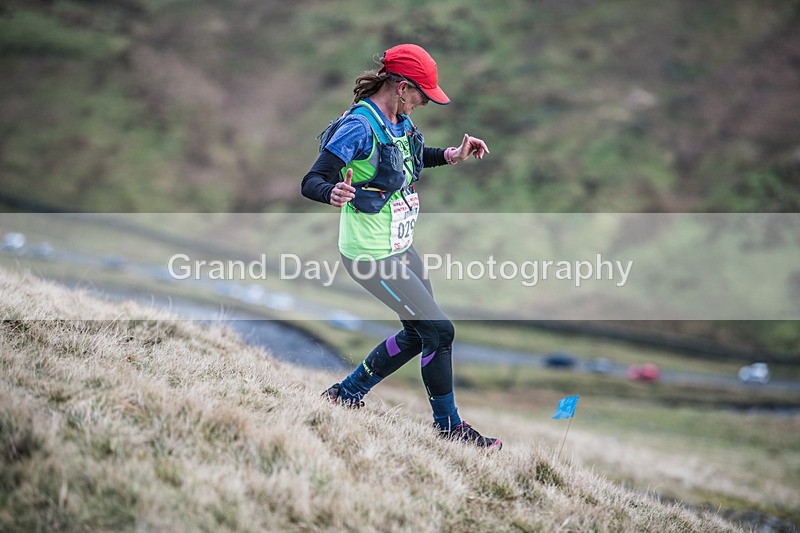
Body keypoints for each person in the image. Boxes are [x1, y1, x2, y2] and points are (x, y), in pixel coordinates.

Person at [301, 43, 501, 450]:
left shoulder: (399, 120)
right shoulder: (359, 126)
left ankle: (346, 394)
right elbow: (312, 179)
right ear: (402, 86)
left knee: (419, 331)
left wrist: (450, 154)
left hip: (400, 245)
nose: (426, 101)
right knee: (440, 331)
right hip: (371, 255)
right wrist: (332, 192)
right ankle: (449, 428)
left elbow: (409, 158)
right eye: (423, 94)